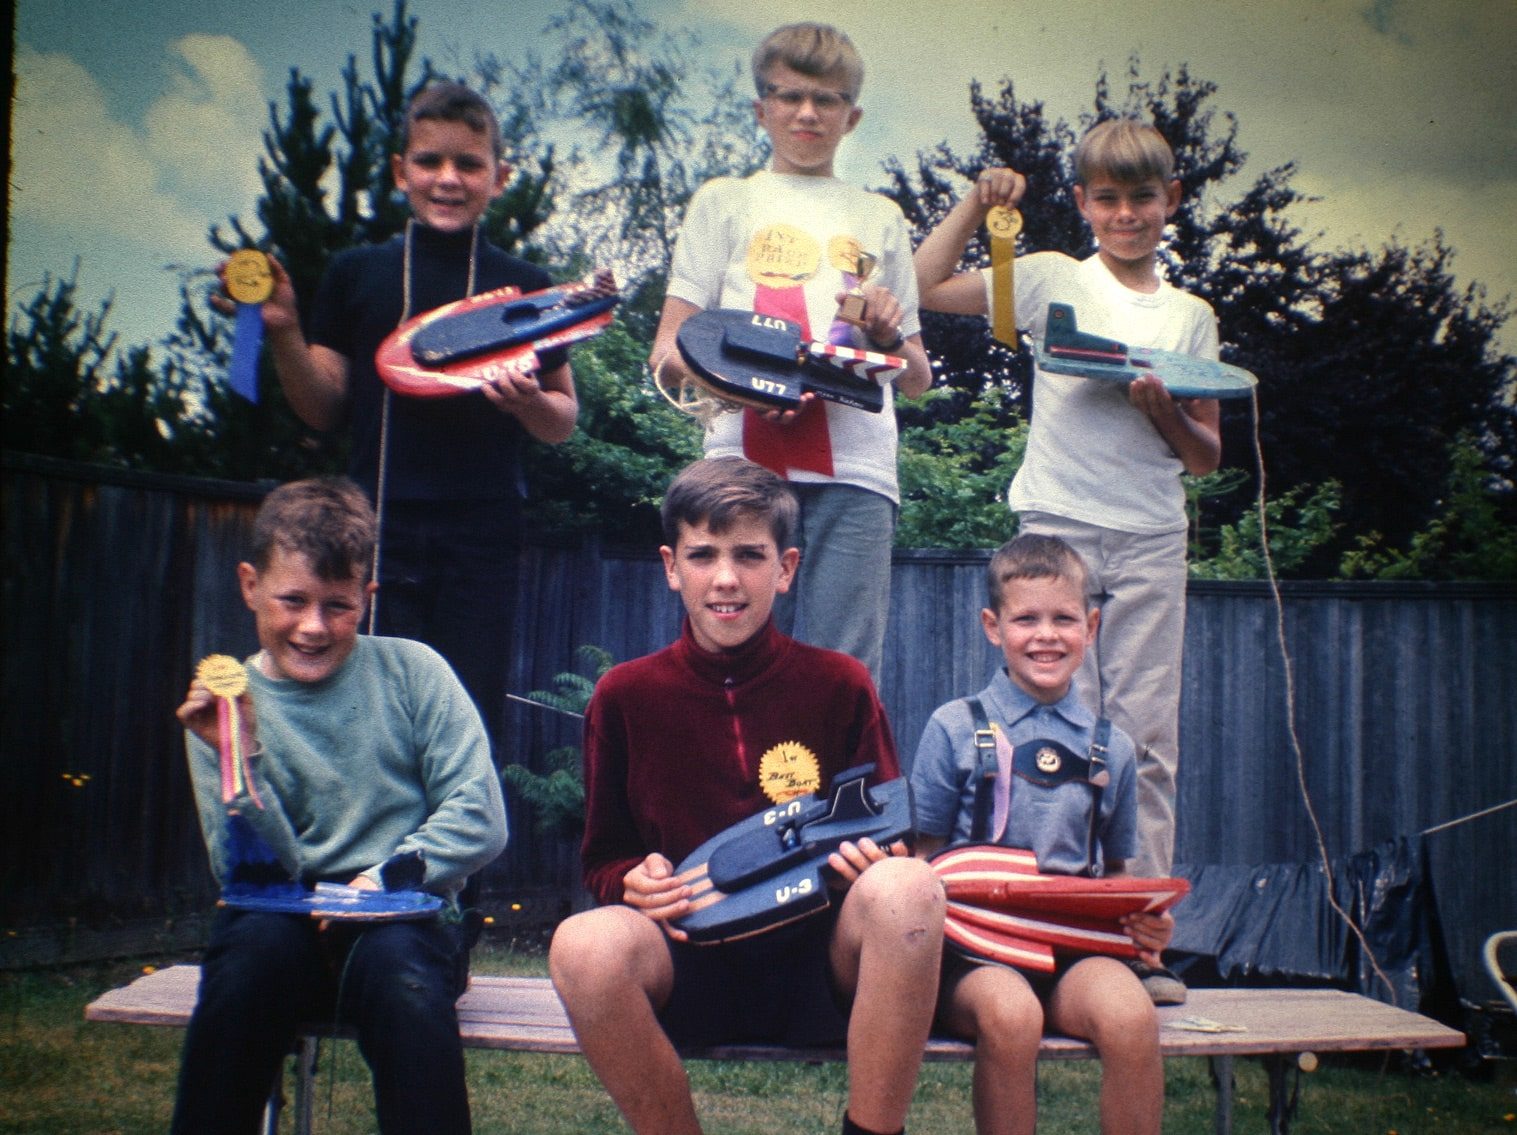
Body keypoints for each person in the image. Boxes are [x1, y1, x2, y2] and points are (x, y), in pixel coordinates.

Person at [914, 118, 1222, 1003]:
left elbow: (1203, 456)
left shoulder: (1190, 316)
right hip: (1054, 525)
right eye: (1109, 199)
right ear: (1084, 203)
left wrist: (1158, 407)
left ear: (1171, 202)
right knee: (1042, 737)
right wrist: (979, 200)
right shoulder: (1048, 276)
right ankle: (1030, 928)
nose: (1127, 215)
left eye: (1144, 198)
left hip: (1151, 533)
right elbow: (930, 284)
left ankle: (1137, 943)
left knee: (1143, 740)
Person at [549, 457, 945, 1135]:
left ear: (786, 568)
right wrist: (632, 882)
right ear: (672, 566)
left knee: (909, 886)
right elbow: (603, 858)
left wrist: (873, 863)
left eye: (749, 555)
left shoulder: (839, 683)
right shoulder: (624, 696)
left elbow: (889, 829)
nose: (725, 577)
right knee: (582, 945)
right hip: (686, 952)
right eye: (702, 554)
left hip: (819, 957)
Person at [224, 80, 581, 757]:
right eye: (429, 161)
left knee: (465, 711)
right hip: (373, 531)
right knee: (363, 711)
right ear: (400, 172)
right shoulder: (356, 273)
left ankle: (455, 866)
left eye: (468, 164)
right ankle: (356, 863)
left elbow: (562, 417)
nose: (447, 179)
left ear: (498, 177)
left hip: (483, 537)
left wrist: (527, 402)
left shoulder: (529, 286)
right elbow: (323, 406)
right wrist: (282, 331)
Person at [170, 476, 508, 1135]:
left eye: (339, 604)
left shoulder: (415, 672)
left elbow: (481, 815)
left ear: (368, 598)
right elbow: (253, 879)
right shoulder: (222, 704)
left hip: (403, 921)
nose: (313, 625)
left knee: (405, 983)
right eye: (291, 600)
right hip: (282, 926)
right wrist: (242, 759)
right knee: (244, 965)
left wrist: (373, 887)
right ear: (249, 585)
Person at [648, 23, 933, 684]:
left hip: (854, 471)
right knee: (722, 658)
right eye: (789, 96)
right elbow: (668, 350)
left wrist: (888, 336)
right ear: (760, 108)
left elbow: (916, 377)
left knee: (840, 672)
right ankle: (723, 792)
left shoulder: (880, 216)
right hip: (737, 463)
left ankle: (830, 793)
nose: (807, 113)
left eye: (827, 100)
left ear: (852, 115)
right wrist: (746, 388)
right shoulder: (722, 201)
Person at [910, 534, 1172, 1135]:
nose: (1046, 635)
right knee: (1012, 1014)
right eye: (1026, 618)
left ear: (1093, 626)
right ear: (992, 626)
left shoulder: (1115, 747)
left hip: (1075, 950)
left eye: (1064, 618)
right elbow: (921, 865)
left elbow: (1116, 877)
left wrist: (1145, 922)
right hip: (974, 956)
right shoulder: (953, 727)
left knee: (1133, 1019)